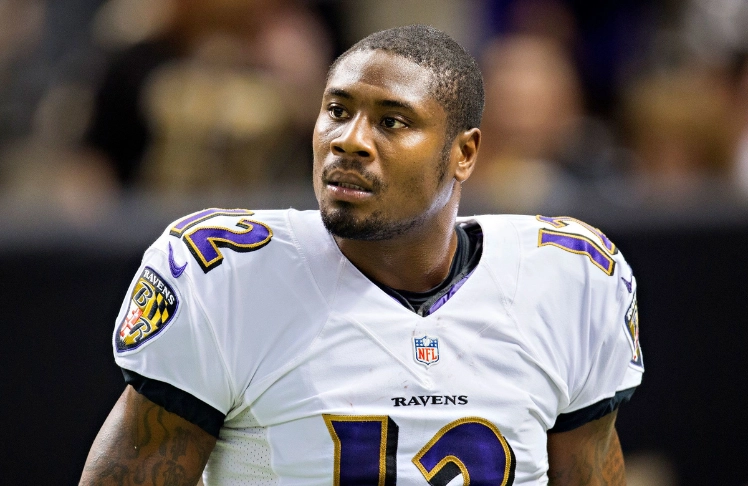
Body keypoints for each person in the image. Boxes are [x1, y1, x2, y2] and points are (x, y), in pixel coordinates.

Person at [80, 25, 643, 485]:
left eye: (392, 121)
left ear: (464, 153)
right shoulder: (227, 275)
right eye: (337, 110)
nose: (349, 139)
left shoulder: (568, 277)